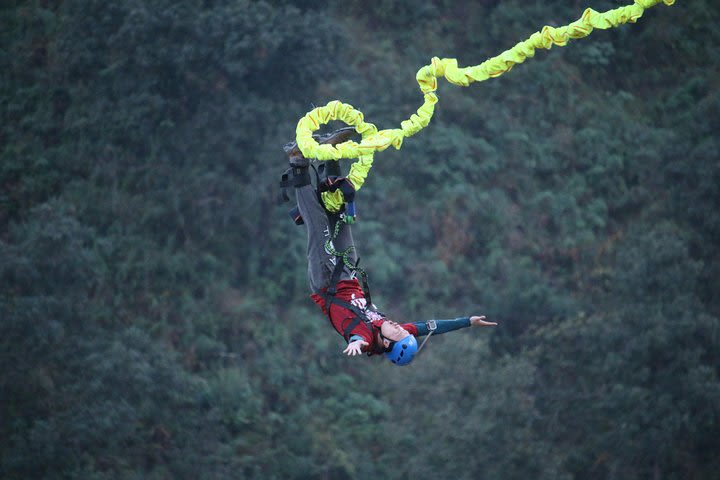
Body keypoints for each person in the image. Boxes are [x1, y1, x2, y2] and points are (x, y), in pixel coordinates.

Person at [284, 128, 497, 365]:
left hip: (326, 282)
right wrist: (468, 321)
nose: (400, 327)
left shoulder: (365, 337)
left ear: (386, 343)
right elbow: (430, 327)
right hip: (349, 277)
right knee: (341, 215)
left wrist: (354, 343)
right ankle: (329, 153)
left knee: (318, 224)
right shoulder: (392, 329)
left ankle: (297, 162)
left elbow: (357, 339)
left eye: (399, 333)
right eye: (404, 331)